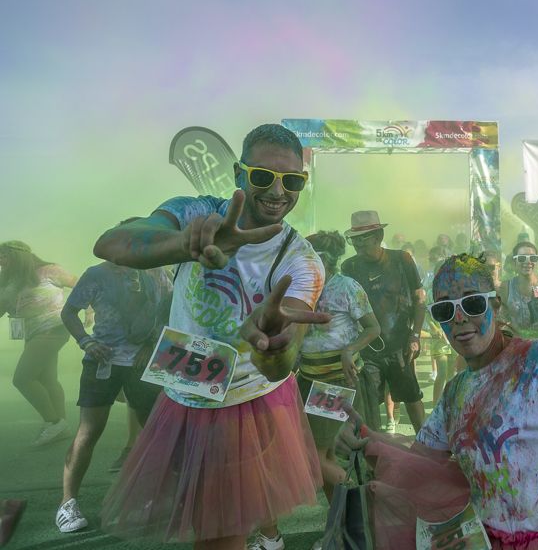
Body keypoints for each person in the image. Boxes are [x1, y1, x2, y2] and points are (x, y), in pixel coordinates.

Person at [92, 123, 330, 550]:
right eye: (263, 176)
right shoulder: (196, 212)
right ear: (239, 174)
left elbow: (281, 357)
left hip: (244, 408)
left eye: (292, 181)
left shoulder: (301, 260)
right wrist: (183, 244)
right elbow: (111, 243)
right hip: (184, 392)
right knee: (214, 514)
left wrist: (273, 340)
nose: (278, 192)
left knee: (218, 533)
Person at [335, 253, 538, 550]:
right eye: (445, 309)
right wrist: (365, 439)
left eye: (473, 304)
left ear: (496, 305)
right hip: (489, 539)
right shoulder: (455, 393)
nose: (459, 318)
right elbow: (420, 466)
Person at [55, 260, 172, 533]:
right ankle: (67, 502)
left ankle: (159, 497)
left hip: (145, 364)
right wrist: (87, 341)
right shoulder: (96, 273)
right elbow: (69, 312)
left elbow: (170, 311)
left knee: (155, 432)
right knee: (89, 430)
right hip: (102, 362)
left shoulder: (156, 271)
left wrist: (155, 343)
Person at [296, 230, 380, 498]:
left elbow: (373, 327)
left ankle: (360, 506)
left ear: (326, 261)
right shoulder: (302, 287)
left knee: (314, 457)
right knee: (328, 453)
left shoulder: (346, 287)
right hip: (307, 378)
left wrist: (350, 349)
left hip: (334, 381)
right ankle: (341, 528)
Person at [342, 210, 427, 433]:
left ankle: (428, 450)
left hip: (400, 345)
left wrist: (415, 335)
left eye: (364, 237)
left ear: (378, 236)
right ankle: (374, 458)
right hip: (367, 350)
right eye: (354, 239)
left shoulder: (402, 259)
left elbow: (420, 299)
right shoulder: (349, 267)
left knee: (412, 397)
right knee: (368, 408)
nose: (358, 243)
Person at [0, 241, 78, 446]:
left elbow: (79, 285)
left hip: (53, 328)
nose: (1, 260)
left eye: (4, 255)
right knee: (47, 379)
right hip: (32, 333)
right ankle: (60, 425)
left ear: (19, 256)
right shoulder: (9, 281)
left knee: (22, 379)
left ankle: (52, 423)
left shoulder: (48, 271)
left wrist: (86, 309)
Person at [497, 241, 538, 341]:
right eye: (522, 258)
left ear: (537, 261)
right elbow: (500, 322)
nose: (528, 262)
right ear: (514, 262)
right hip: (518, 343)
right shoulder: (506, 287)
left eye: (533, 258)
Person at [422, 246, 453, 404]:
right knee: (442, 372)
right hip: (438, 337)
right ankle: (435, 407)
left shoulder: (454, 291)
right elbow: (426, 312)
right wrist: (435, 329)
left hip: (453, 336)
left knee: (452, 374)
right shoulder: (431, 292)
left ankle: (447, 405)